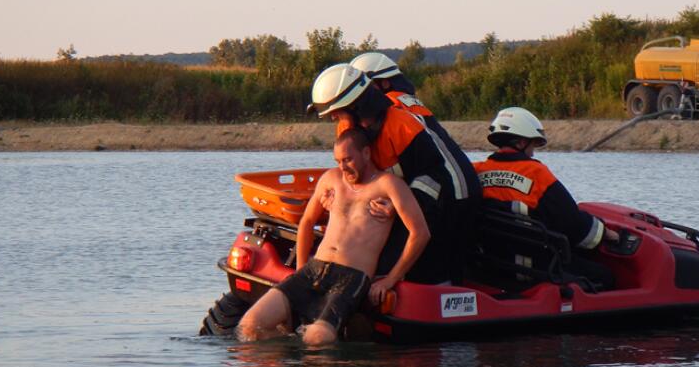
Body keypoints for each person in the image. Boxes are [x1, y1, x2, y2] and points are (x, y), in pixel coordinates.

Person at [236, 128, 430, 345]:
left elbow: (420, 233)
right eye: (338, 160)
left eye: (348, 159)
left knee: (317, 339)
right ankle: (290, 354)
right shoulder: (331, 179)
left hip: (351, 276)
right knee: (250, 326)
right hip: (314, 269)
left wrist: (390, 279)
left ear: (366, 153)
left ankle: (314, 356)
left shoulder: (388, 185)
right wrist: (300, 269)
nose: (343, 166)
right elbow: (307, 222)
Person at [308, 63, 480, 285]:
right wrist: (335, 194)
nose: (334, 119)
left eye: (336, 113)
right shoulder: (347, 130)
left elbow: (433, 175)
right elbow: (353, 174)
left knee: (425, 258)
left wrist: (398, 207)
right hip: (394, 202)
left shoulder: (402, 126)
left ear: (355, 106)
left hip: (438, 202)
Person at [473, 107, 618, 289]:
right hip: (532, 270)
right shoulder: (536, 174)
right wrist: (605, 233)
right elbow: (574, 224)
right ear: (521, 142)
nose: (533, 153)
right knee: (604, 276)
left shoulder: (476, 171)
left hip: (491, 266)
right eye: (532, 146)